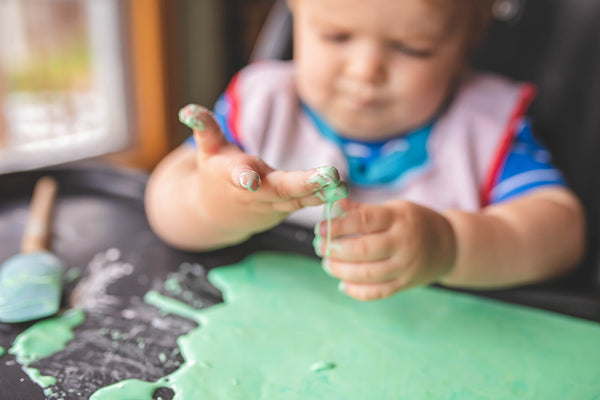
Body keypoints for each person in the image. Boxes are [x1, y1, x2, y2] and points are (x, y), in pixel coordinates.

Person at [145, 0, 585, 301]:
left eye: (413, 48)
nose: (365, 70)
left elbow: (562, 233)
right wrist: (210, 205)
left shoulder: (484, 129)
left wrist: (450, 246)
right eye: (336, 36)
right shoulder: (261, 108)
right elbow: (164, 202)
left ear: (467, 41)